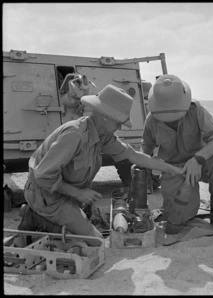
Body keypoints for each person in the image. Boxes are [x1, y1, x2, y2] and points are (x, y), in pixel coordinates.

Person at [19, 84, 184, 246]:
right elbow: (43, 175)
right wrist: (78, 193)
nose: (120, 127)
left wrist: (171, 169)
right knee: (96, 241)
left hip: (67, 195)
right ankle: (34, 216)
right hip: (47, 196)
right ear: (105, 117)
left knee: (93, 224)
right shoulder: (74, 135)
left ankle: (70, 217)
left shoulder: (101, 134)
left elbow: (132, 155)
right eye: (118, 122)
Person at [141, 74, 213, 234]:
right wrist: (147, 171)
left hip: (201, 164)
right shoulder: (151, 121)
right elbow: (146, 149)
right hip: (174, 170)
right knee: (175, 224)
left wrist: (198, 159)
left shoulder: (196, 110)